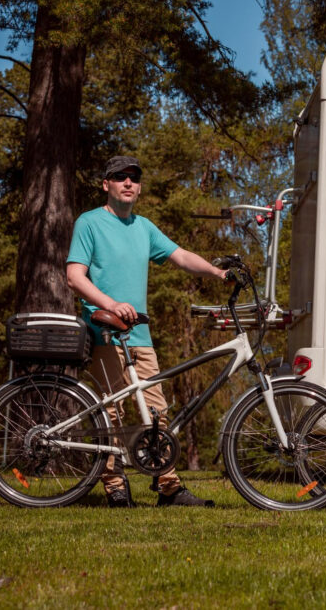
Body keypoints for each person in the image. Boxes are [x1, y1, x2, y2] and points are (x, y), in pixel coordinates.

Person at [66, 155, 228, 508]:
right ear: (105, 184)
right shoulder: (89, 223)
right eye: (119, 177)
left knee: (156, 413)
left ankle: (168, 488)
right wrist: (108, 304)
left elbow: (180, 256)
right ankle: (114, 485)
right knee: (111, 414)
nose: (128, 183)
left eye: (134, 178)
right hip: (105, 334)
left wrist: (217, 273)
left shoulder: (143, 227)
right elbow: (75, 277)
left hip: (138, 336)